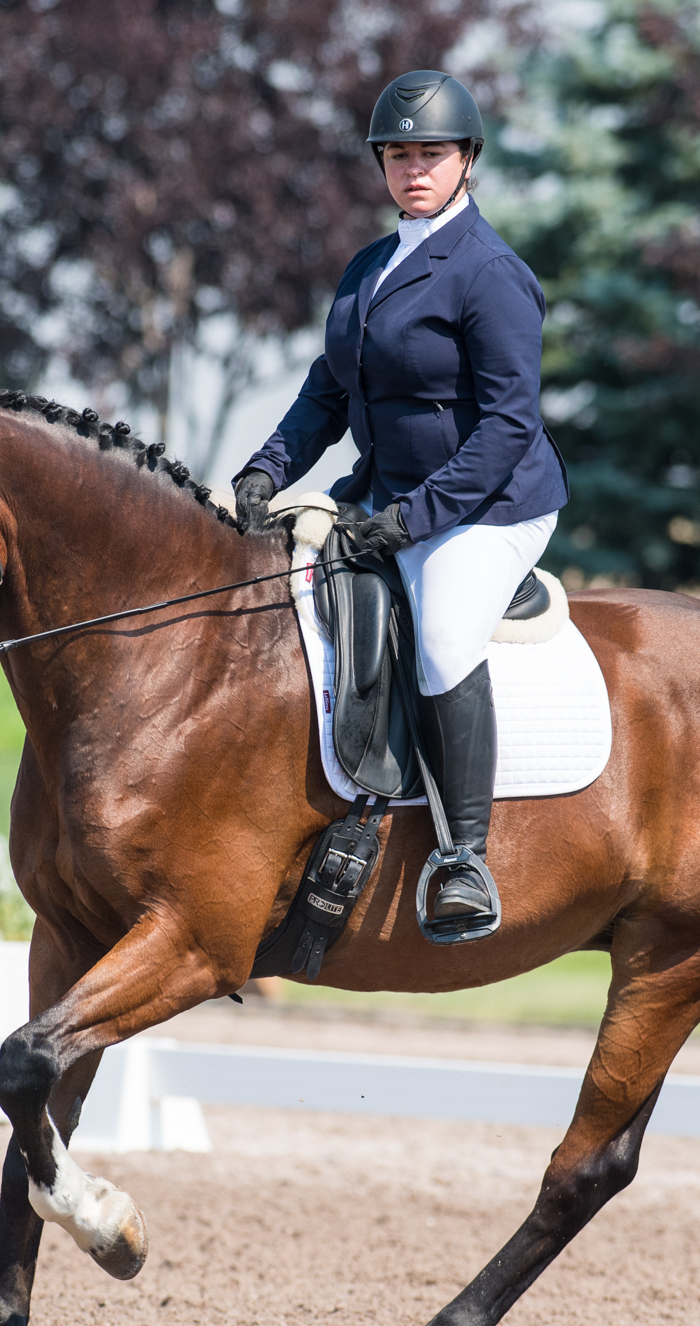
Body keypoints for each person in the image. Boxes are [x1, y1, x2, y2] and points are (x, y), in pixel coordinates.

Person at [234, 70, 567, 941]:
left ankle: (464, 858)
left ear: (467, 161)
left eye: (433, 153)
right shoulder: (371, 267)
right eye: (400, 154)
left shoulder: (491, 273)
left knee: (445, 632)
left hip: (492, 505)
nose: (415, 168)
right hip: (385, 496)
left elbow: (505, 428)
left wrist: (413, 520)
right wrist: (266, 470)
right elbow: (325, 392)